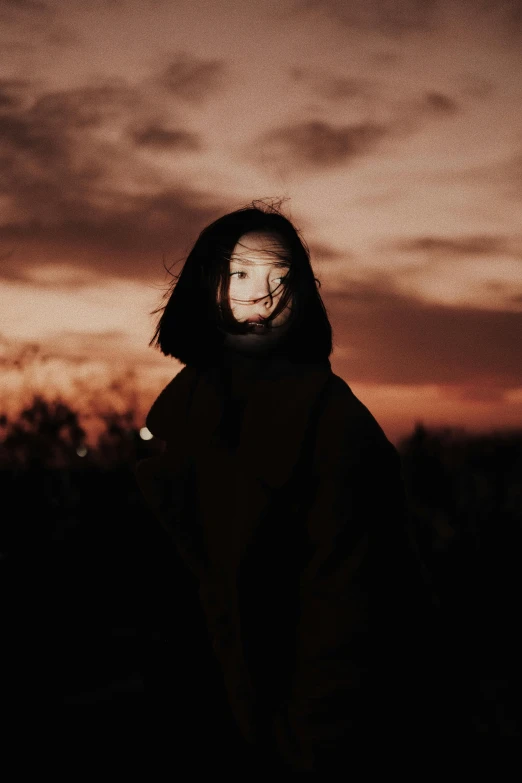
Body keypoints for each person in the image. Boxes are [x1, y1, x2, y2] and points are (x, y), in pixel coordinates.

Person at [134, 201, 466, 773]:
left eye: (278, 276)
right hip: (202, 720)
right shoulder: (179, 417)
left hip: (320, 736)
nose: (261, 296)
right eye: (239, 274)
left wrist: (305, 744)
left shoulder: (333, 424)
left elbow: (356, 607)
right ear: (206, 282)